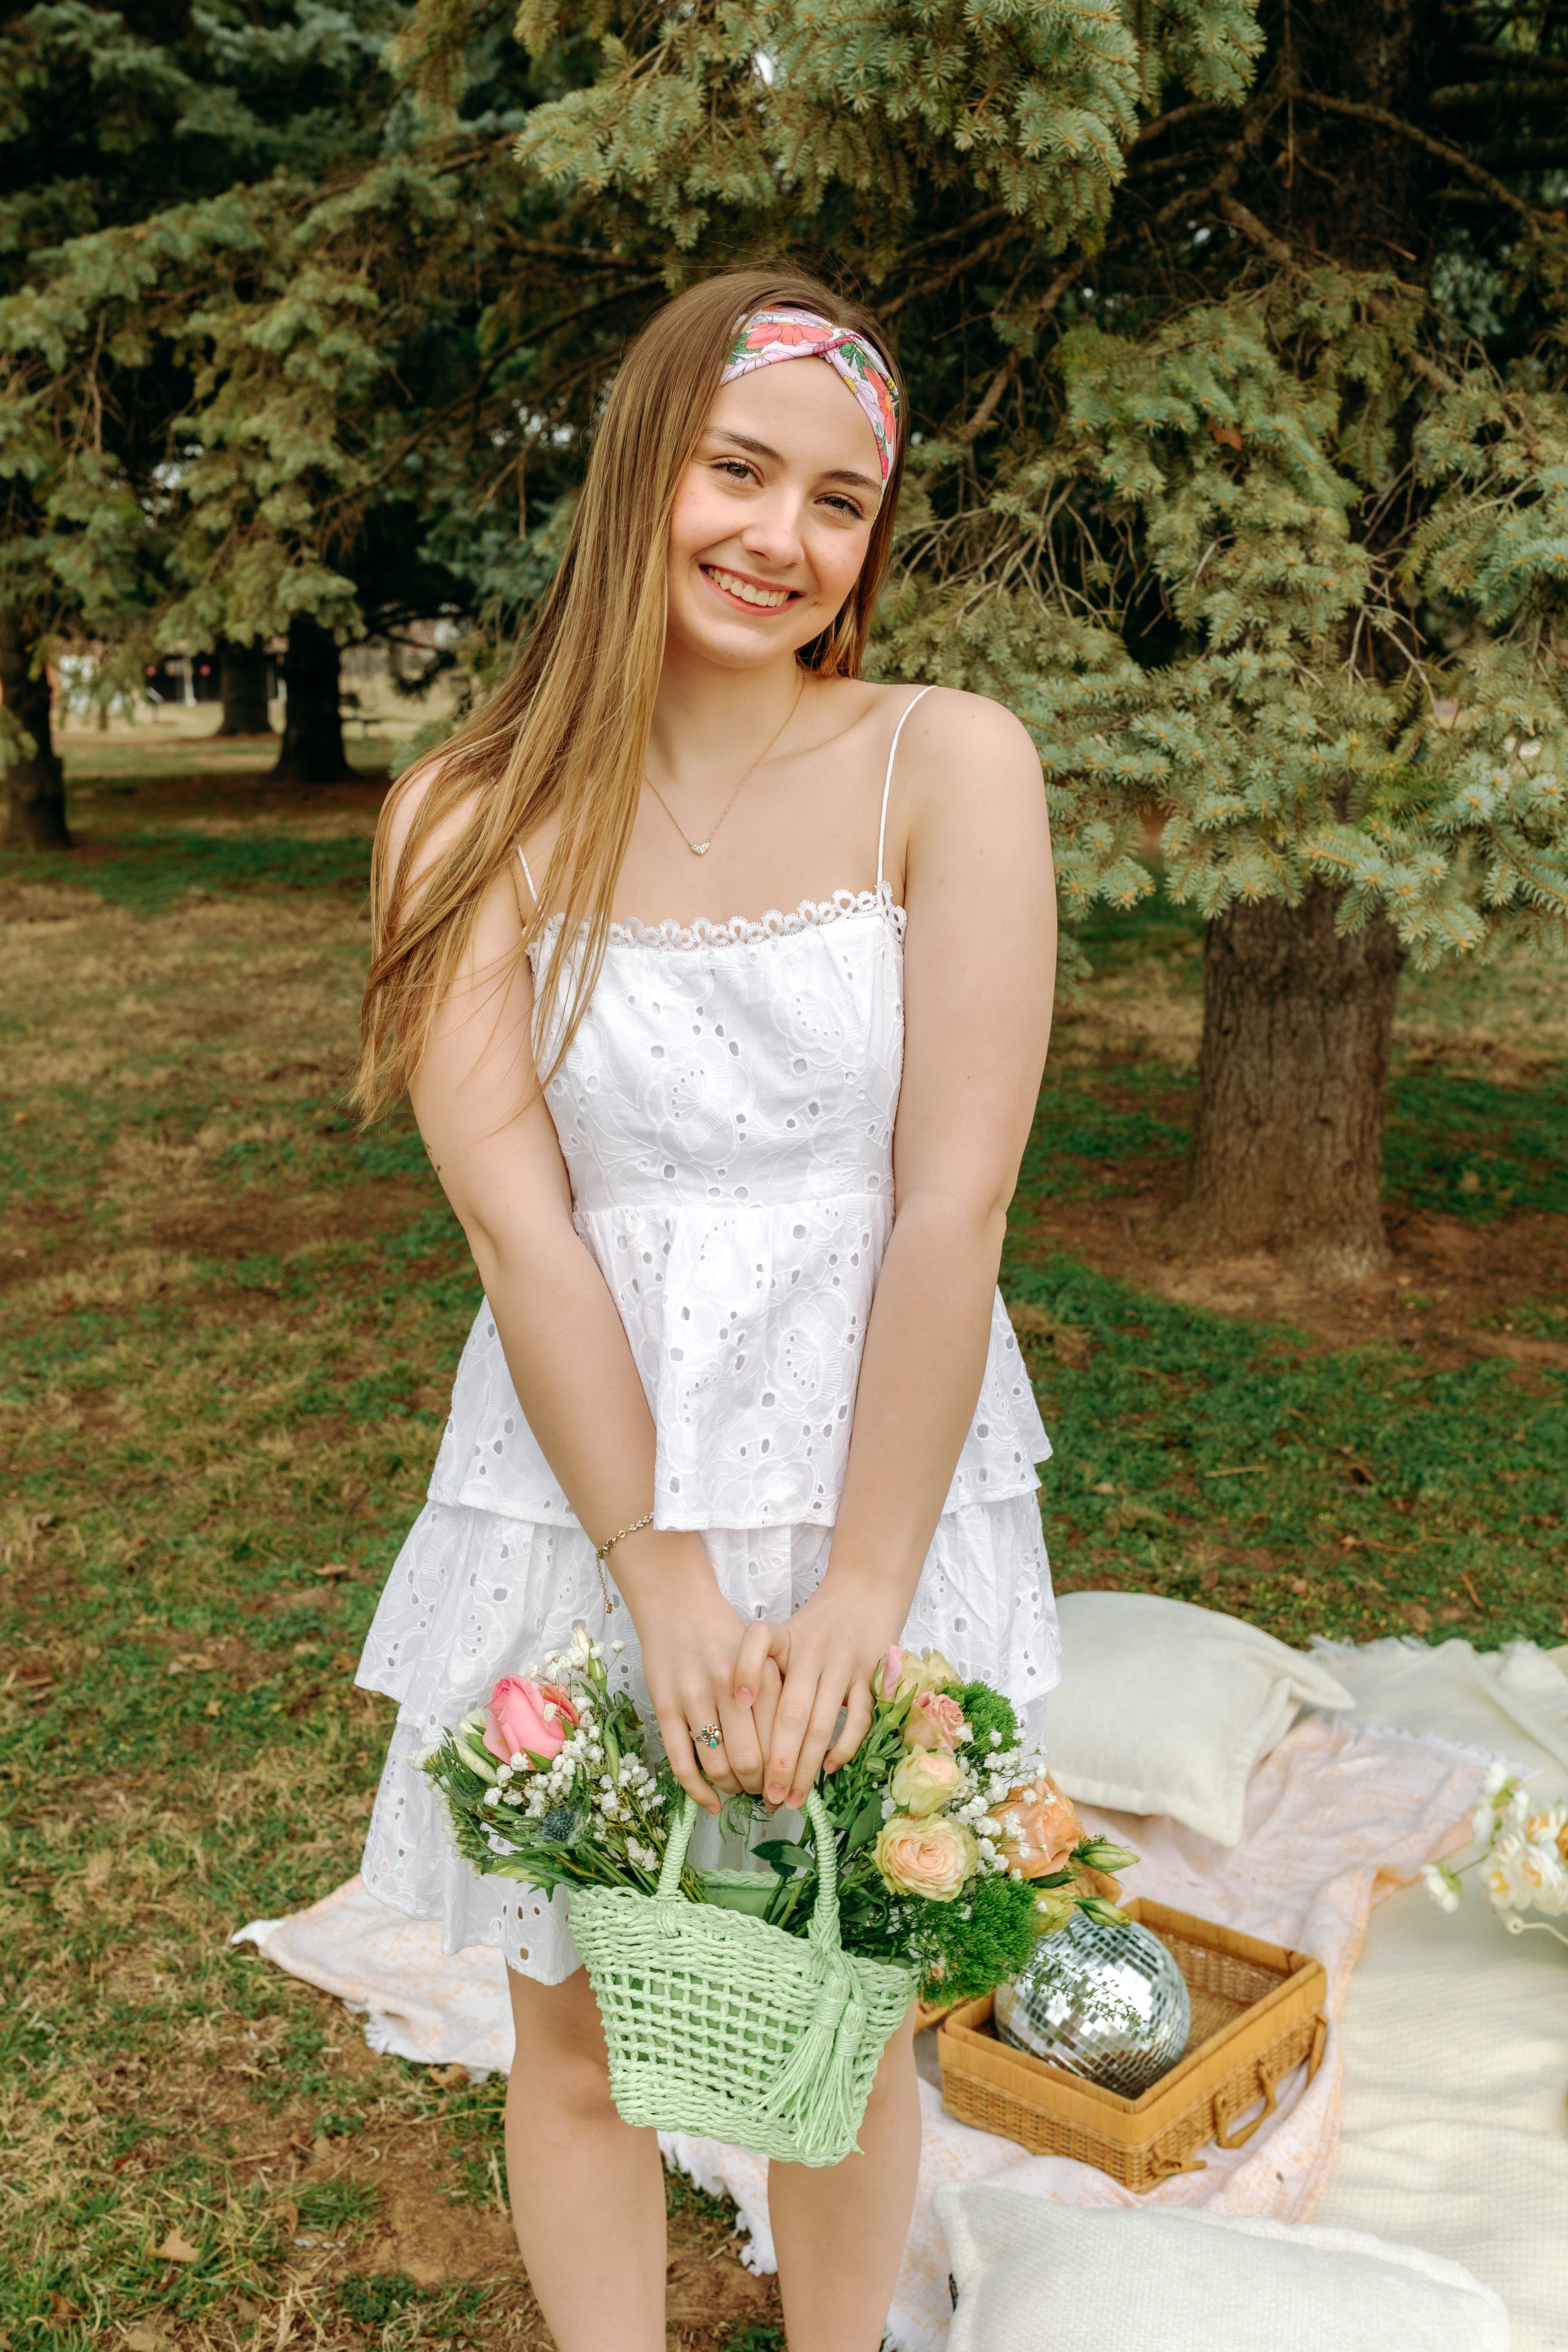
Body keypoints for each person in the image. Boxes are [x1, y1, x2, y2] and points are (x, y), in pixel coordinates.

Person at [351, 266, 1060, 2352]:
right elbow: (522, 1229)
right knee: (575, 2018)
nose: (783, 537)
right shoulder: (464, 818)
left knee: (843, 2000)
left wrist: (864, 1586)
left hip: (879, 1449)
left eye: (841, 503)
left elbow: (957, 1197)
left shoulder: (948, 761)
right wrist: (650, 1574)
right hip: (591, 1471)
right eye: (739, 471)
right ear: (641, 468)